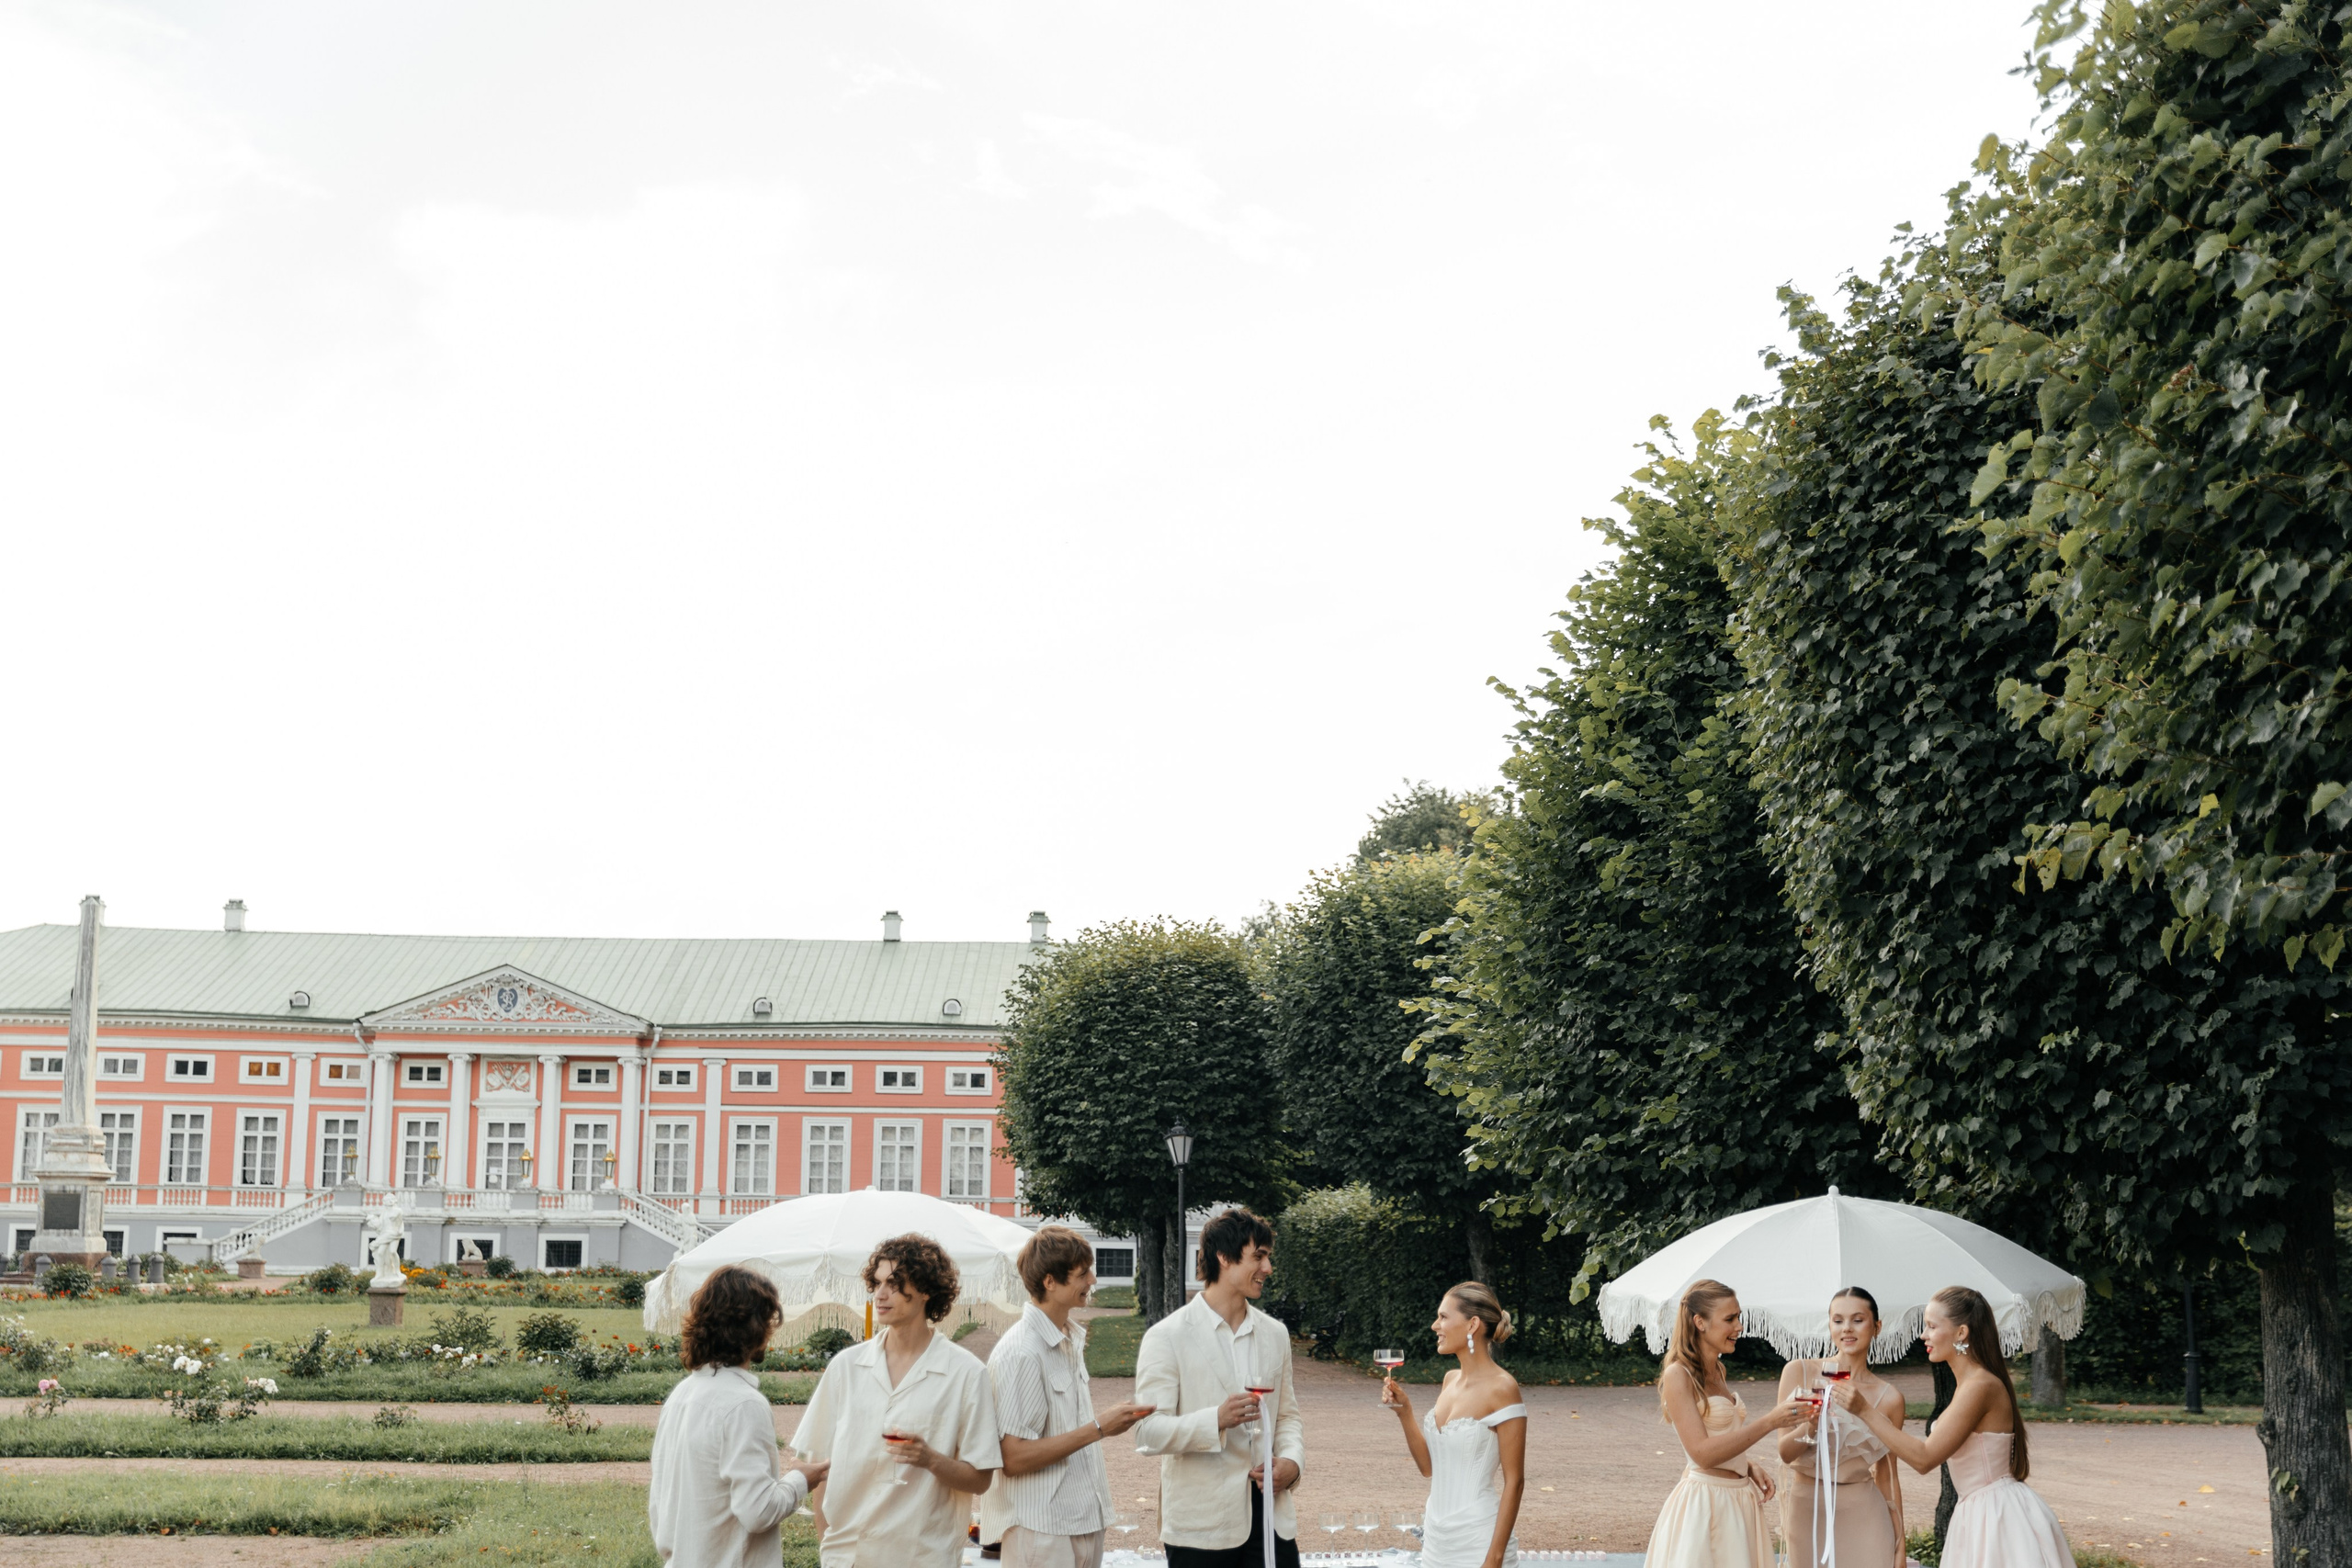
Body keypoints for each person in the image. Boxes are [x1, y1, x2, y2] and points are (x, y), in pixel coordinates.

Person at [795, 1233, 1003, 1568]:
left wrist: (930, 1459)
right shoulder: (846, 1367)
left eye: (893, 1284)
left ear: (925, 1290)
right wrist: (827, 1546)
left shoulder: (966, 1374)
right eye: (877, 1283)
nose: (880, 1294)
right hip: (847, 1557)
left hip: (921, 1558)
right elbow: (822, 1467)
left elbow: (981, 1479)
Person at [1833, 1285, 2069, 1568]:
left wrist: (1864, 1411)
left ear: (1961, 1333)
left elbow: (1924, 1458)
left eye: (1932, 1326)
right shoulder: (1970, 1384)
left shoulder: (1980, 1386)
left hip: (1996, 1517)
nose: (1924, 1335)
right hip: (1977, 1511)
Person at [1133, 1206, 1306, 1567]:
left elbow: (1287, 1417)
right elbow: (1147, 1433)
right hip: (1200, 1528)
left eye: (1268, 1257)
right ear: (1224, 1257)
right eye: (1258, 1256)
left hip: (1271, 1520)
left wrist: (1292, 1462)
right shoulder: (1166, 1337)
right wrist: (1215, 1420)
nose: (1268, 1268)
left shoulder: (1275, 1334)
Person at [986, 1224, 1158, 1568]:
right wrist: (1099, 1428)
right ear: (1050, 1282)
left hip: (1082, 1523)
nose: (1092, 1280)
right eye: (1082, 1274)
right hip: (1042, 1532)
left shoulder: (1066, 1340)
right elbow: (1012, 1457)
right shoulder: (1021, 1352)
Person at [650, 1264, 831, 1568]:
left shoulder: (682, 1395)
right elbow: (758, 1511)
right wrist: (801, 1479)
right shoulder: (744, 1405)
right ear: (758, 1328)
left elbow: (662, 1503)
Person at [1642, 1279, 1812, 1568]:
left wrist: (1746, 1465)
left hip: (1740, 1500)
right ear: (1700, 1322)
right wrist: (1770, 1421)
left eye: (1739, 1317)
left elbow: (1719, 1434)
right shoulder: (1678, 1375)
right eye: (1730, 1319)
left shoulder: (1718, 1370)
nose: (1739, 1327)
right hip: (1706, 1505)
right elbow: (1701, 1454)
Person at [1378, 1281, 1527, 1568]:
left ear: (1472, 1324)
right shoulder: (1450, 1380)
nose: (1435, 1326)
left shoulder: (1503, 1388)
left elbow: (1515, 1481)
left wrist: (1494, 1559)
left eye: (1444, 1317)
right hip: (1436, 1541)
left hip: (1479, 1542)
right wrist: (1405, 1413)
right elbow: (1428, 1468)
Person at [1773, 1286, 1904, 1568]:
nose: (1847, 1328)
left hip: (1866, 1515)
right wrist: (1811, 1424)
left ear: (1876, 1327)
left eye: (1858, 1320)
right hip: (1807, 1512)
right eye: (1838, 1320)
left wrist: (1900, 1544)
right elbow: (1785, 1452)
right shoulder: (1799, 1371)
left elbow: (1888, 1475)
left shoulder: (1890, 1398)